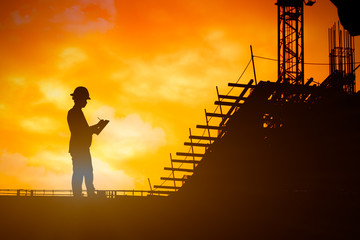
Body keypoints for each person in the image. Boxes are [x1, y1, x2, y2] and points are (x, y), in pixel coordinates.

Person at [67, 86, 105, 197]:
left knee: (86, 171)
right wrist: (96, 127)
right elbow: (80, 131)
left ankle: (87, 192)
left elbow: (83, 131)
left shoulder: (77, 112)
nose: (86, 102)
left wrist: (95, 128)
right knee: (80, 172)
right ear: (79, 99)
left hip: (81, 148)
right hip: (79, 148)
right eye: (84, 99)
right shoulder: (74, 113)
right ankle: (79, 194)